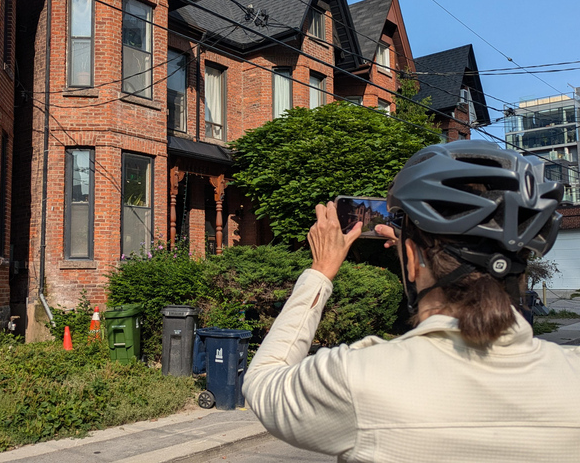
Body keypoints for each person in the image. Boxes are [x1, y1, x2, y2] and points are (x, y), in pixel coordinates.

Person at [242, 140, 580, 463]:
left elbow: (262, 382)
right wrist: (413, 249)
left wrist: (321, 270)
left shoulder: (357, 378)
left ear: (410, 257)